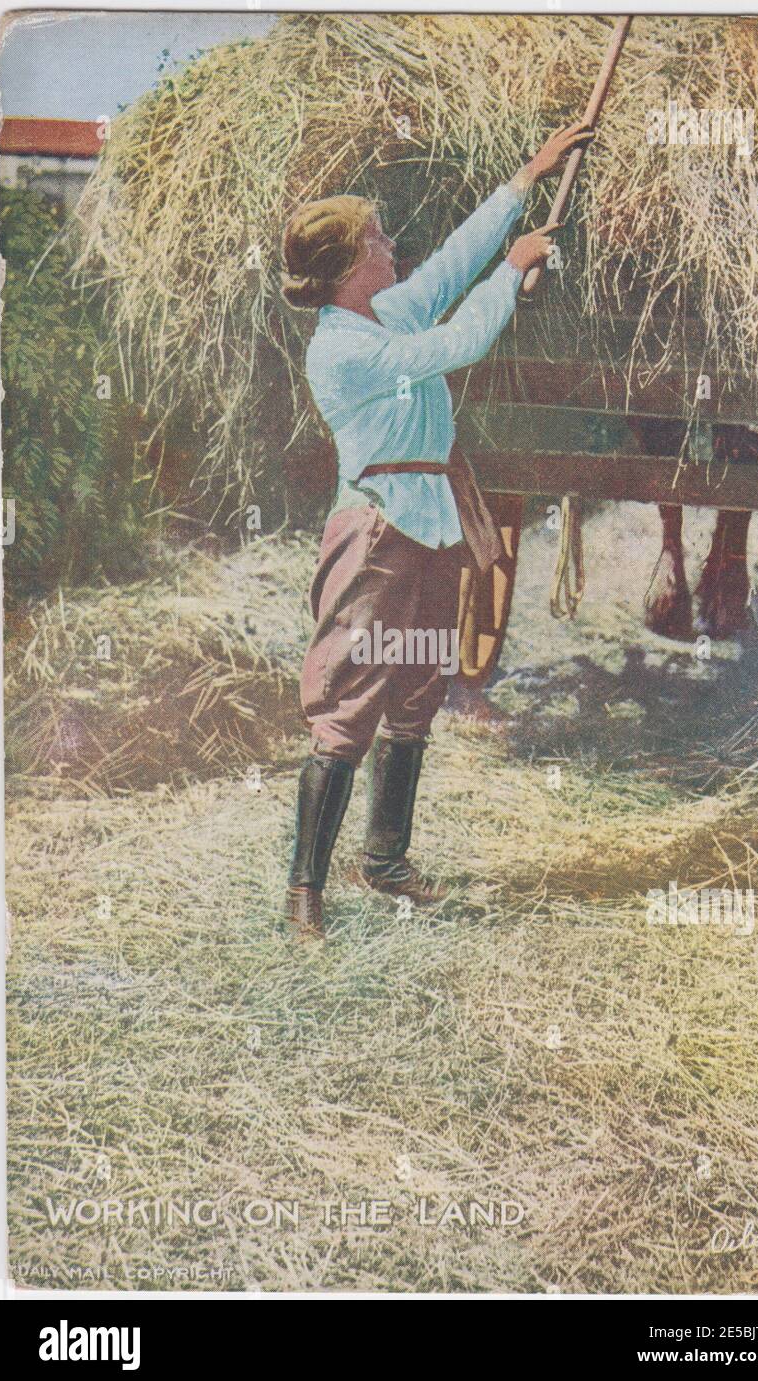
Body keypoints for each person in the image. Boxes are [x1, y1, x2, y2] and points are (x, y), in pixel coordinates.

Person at [281, 121, 593, 938]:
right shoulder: (340, 351)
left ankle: (384, 862)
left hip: (432, 524)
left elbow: (455, 262)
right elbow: (453, 344)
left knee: (417, 688)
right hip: (375, 532)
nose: (391, 248)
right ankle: (304, 892)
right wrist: (512, 275)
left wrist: (527, 176)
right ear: (349, 265)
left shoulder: (385, 310)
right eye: (378, 241)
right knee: (349, 700)